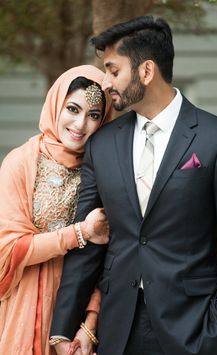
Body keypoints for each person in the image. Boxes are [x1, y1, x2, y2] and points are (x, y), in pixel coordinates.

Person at [50, 16, 217, 355]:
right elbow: (89, 245)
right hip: (117, 330)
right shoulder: (101, 145)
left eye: (113, 70)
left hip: (195, 330)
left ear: (146, 71)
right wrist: (63, 331)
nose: (105, 83)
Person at [0, 65, 113, 355]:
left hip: (75, 311)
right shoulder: (21, 163)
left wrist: (90, 321)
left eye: (94, 115)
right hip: (21, 307)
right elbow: (6, 249)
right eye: (73, 109)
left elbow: (109, 259)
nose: (80, 124)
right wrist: (81, 232)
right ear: (55, 105)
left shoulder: (105, 169)